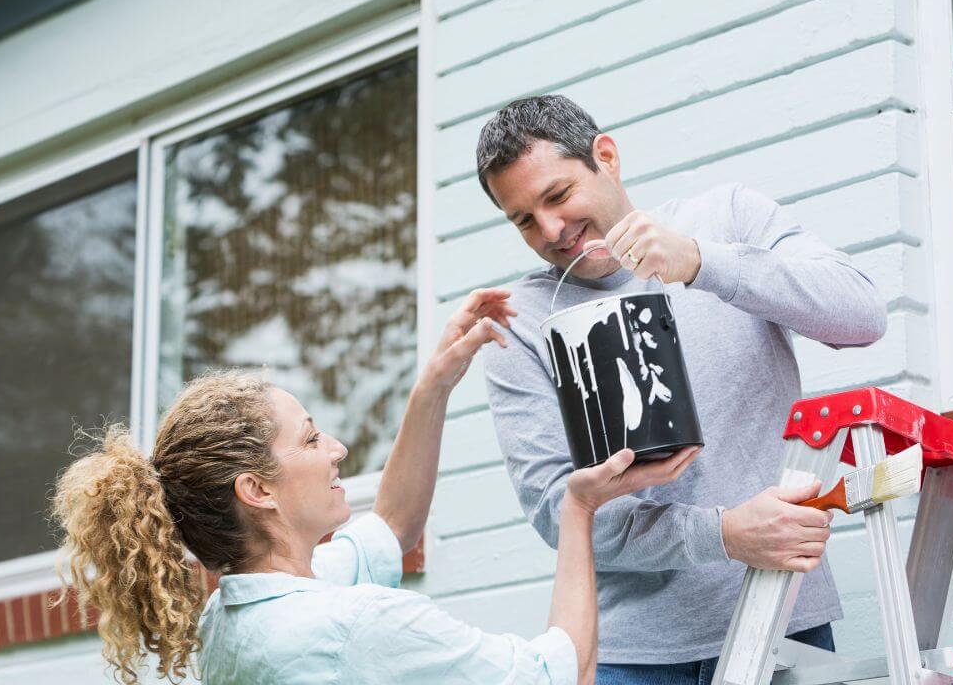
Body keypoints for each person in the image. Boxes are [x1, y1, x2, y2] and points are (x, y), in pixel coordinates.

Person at [52, 287, 700, 685]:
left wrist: (435, 383)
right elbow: (559, 677)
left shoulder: (238, 619)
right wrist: (578, 508)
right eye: (310, 439)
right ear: (257, 490)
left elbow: (392, 526)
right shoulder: (351, 624)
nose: (335, 450)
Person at [475, 95, 888, 684]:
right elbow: (553, 508)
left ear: (606, 157)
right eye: (523, 220)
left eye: (558, 196)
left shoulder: (726, 220)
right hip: (631, 657)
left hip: (780, 618)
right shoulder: (522, 320)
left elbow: (862, 314)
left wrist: (701, 264)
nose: (551, 231)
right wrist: (722, 534)